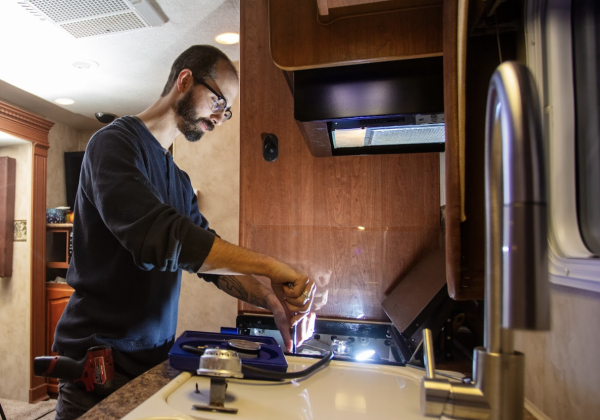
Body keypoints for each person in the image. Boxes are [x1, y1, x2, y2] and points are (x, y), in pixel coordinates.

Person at [52, 45, 316, 420]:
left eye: (227, 112)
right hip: (99, 362)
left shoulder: (178, 180)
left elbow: (208, 258)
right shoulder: (112, 143)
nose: (220, 118)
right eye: (218, 101)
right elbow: (159, 236)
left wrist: (271, 300)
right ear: (185, 80)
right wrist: (273, 266)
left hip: (154, 360)